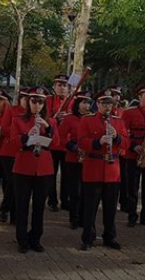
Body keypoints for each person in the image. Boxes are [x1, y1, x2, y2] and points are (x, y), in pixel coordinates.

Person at [78, 89, 128, 251]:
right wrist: (98, 141)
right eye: (104, 103)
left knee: (110, 207)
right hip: (93, 166)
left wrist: (117, 137)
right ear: (97, 104)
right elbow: (81, 141)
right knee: (90, 207)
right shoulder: (87, 120)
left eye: (110, 104)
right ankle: (88, 238)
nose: (107, 107)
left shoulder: (118, 121)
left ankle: (110, 237)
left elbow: (126, 143)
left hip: (112, 169)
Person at [11, 87, 59, 253]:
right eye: (34, 101)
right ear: (28, 102)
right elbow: (12, 142)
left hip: (44, 168)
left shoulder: (51, 121)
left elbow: (57, 144)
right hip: (23, 166)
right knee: (22, 205)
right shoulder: (18, 120)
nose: (37, 105)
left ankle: (36, 238)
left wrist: (47, 128)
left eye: (40, 102)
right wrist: (27, 137)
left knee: (39, 206)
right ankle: (22, 239)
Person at [122, 82, 145, 228]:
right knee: (132, 188)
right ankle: (132, 216)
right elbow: (123, 133)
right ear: (139, 97)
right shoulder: (129, 113)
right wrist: (133, 146)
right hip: (133, 155)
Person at [0, 90, 31, 224]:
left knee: (20, 184)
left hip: (25, 152)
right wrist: (18, 130)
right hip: (9, 152)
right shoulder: (12, 110)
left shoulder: (36, 114)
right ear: (20, 99)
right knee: (13, 182)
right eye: (25, 99)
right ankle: (6, 209)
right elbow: (4, 129)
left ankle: (14, 216)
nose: (29, 102)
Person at [60, 91, 92, 229]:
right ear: (77, 104)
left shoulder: (92, 118)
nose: (86, 105)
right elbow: (61, 137)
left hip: (89, 159)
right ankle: (74, 218)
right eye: (84, 102)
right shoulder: (69, 118)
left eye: (89, 103)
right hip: (73, 158)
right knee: (75, 191)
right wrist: (73, 147)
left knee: (86, 191)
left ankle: (84, 218)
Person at [45, 74, 70, 212]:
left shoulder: (73, 101)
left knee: (67, 175)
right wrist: (55, 119)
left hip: (66, 144)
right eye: (59, 85)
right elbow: (44, 118)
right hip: (52, 143)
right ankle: (52, 200)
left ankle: (65, 201)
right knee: (51, 174)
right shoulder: (48, 100)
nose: (62, 88)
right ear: (54, 87)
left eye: (64, 85)